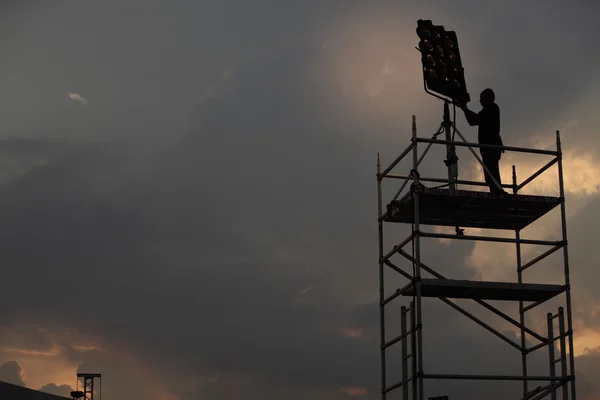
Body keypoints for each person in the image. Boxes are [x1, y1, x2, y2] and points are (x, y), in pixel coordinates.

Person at [457, 89, 507, 196]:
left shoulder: (492, 108)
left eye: (482, 98)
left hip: (490, 146)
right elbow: (473, 120)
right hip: (488, 147)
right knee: (490, 172)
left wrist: (464, 108)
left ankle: (497, 191)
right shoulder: (489, 110)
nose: (480, 101)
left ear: (489, 98)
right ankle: (495, 190)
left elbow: (474, 120)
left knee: (492, 171)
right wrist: (465, 109)